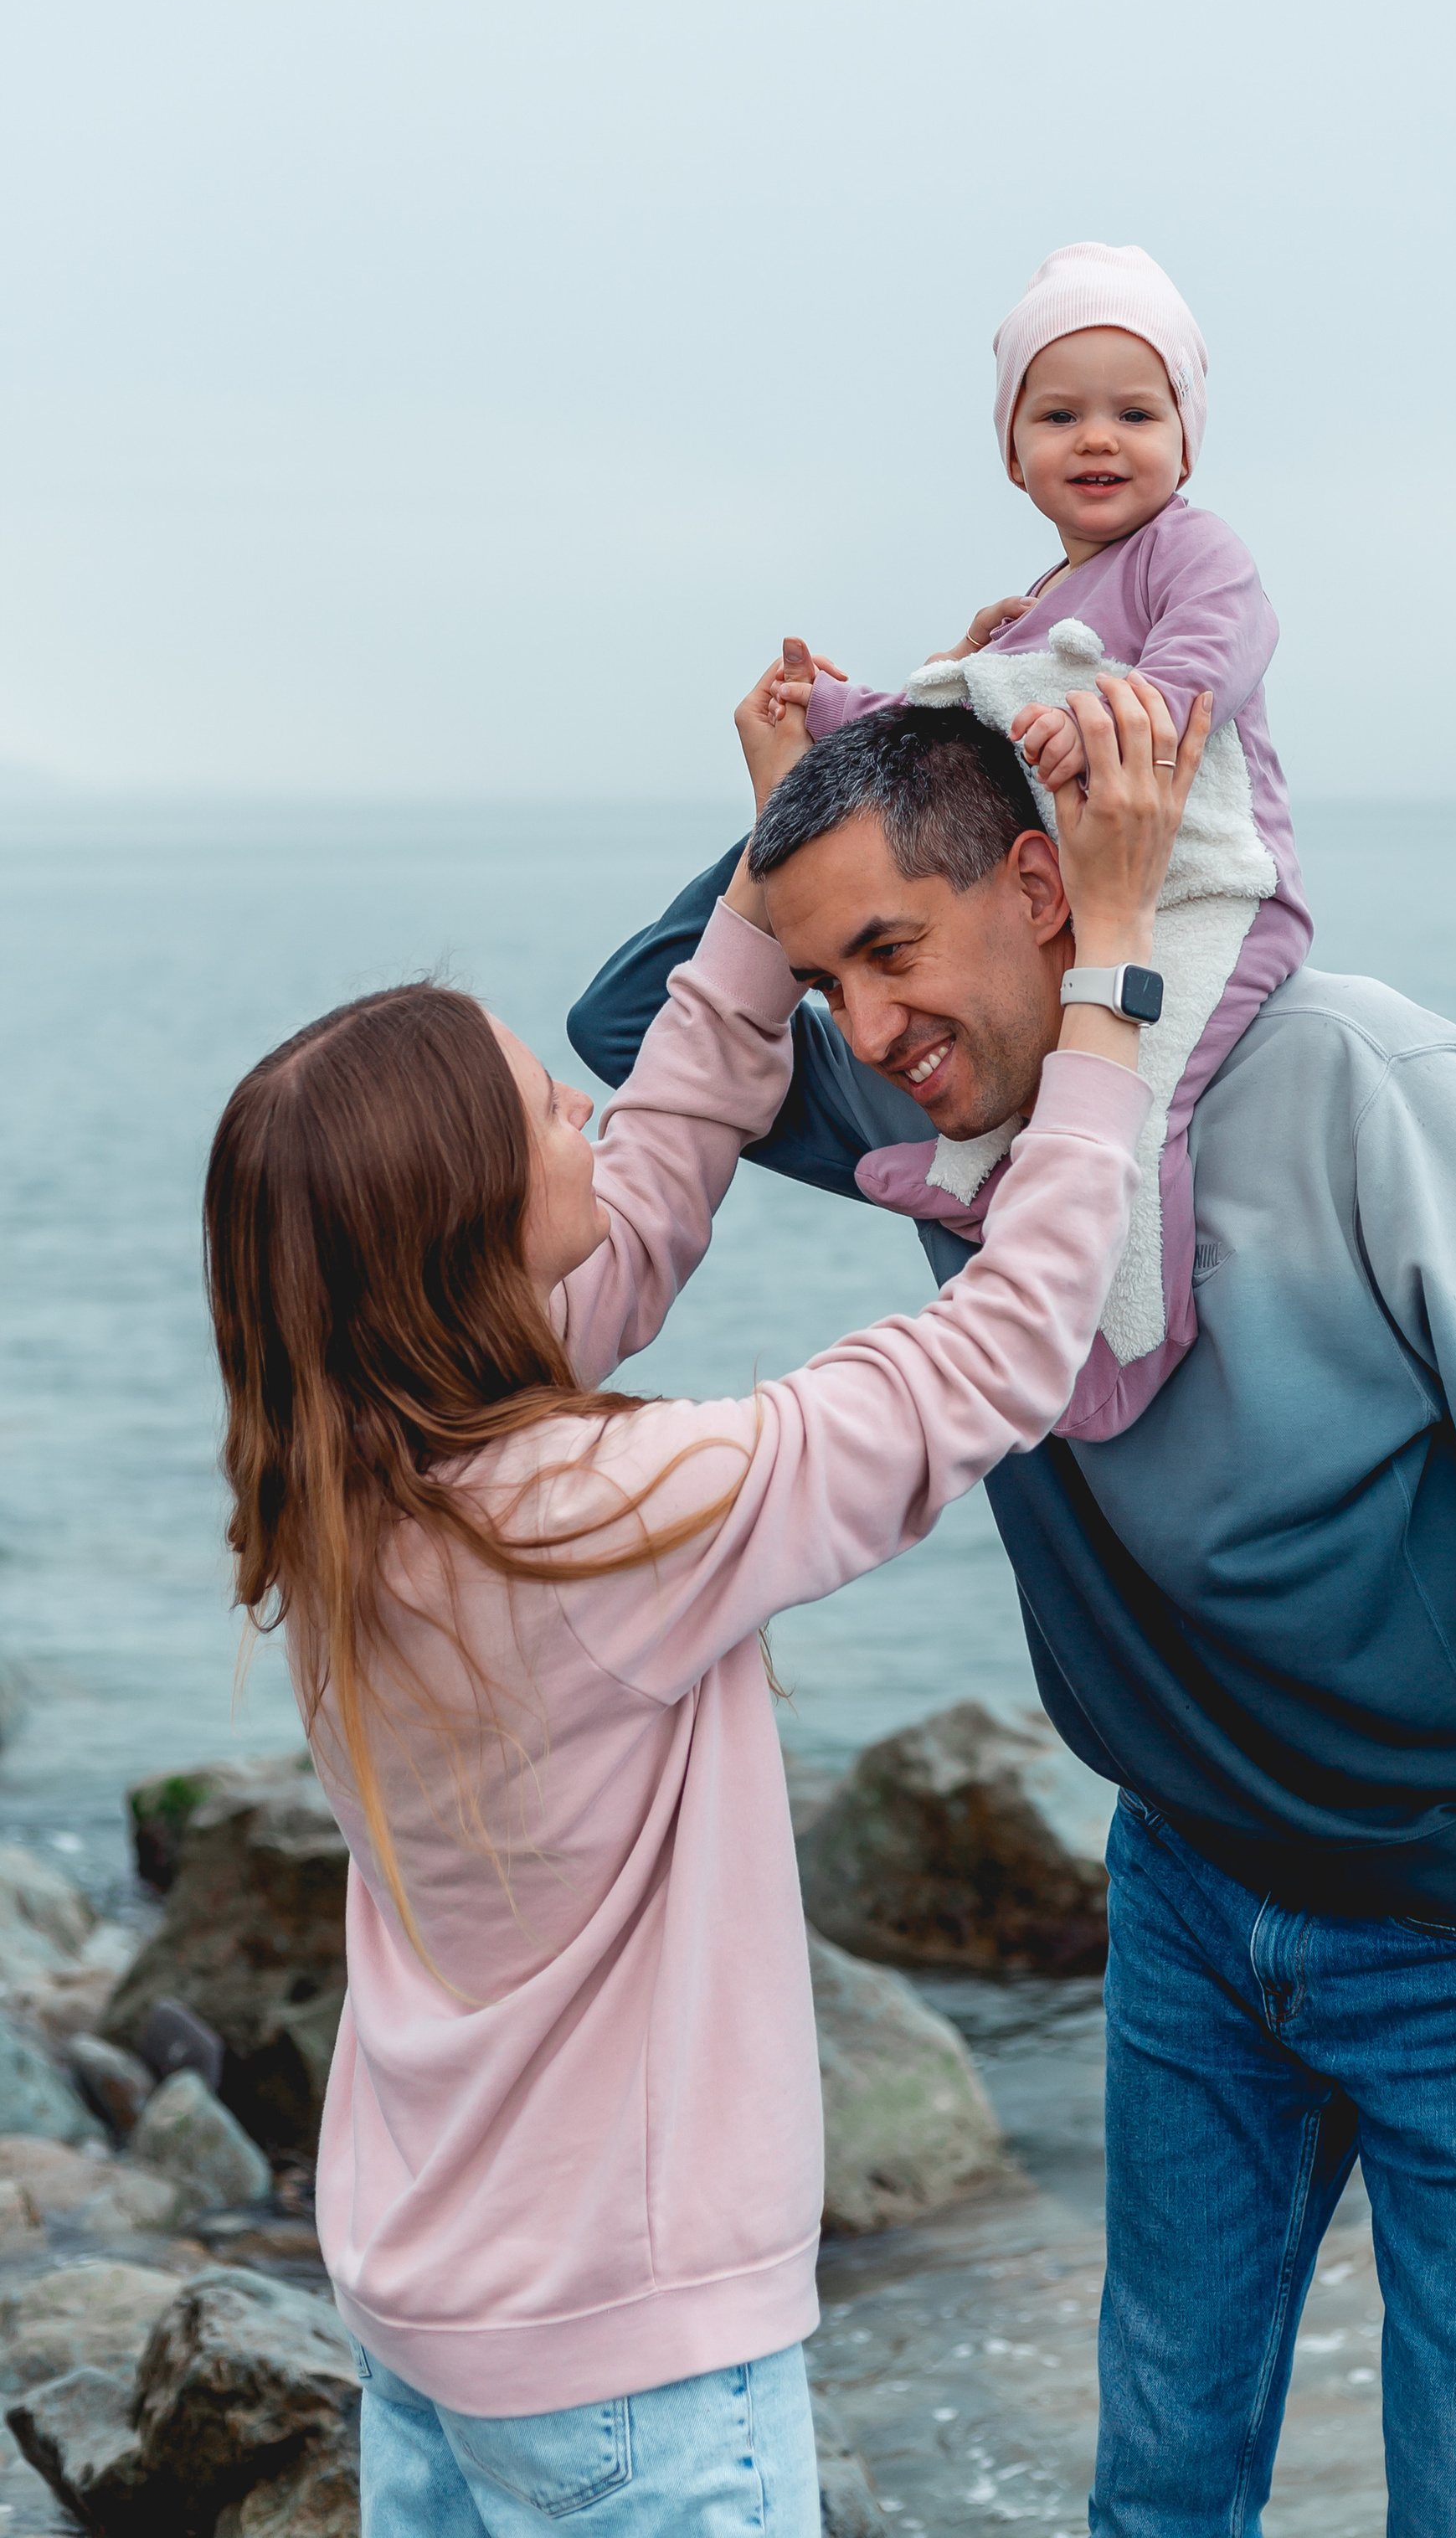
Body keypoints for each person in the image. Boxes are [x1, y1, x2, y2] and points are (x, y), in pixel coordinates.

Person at [569, 690, 1456, 2538]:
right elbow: (633, 1024)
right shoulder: (929, 1104)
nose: (860, 1029)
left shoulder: (1362, 1082)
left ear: (1044, 886)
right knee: (1163, 2480)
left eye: (889, 950)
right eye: (824, 978)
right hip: (1185, 1886)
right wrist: (870, 744)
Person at [205, 673, 1205, 2535]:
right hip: (624, 2365)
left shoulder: (353, 1477)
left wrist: (768, 890)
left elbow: (655, 1174)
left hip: (427, 2309)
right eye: (538, 1113)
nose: (586, 1108)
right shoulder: (597, 1522)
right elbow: (979, 1368)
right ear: (460, 1231)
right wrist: (1112, 979)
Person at [757, 241, 1310, 1439]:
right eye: (1060, 415)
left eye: (1136, 411)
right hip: (1105, 901)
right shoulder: (1040, 606)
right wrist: (829, 716)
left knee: (1140, 1095)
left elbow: (1216, 649)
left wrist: (1136, 713)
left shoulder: (1191, 551)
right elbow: (945, 720)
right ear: (1014, 456)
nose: (1099, 440)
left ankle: (1123, 1357)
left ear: (1187, 437)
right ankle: (974, 1183)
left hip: (1214, 897)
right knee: (1062, 1067)